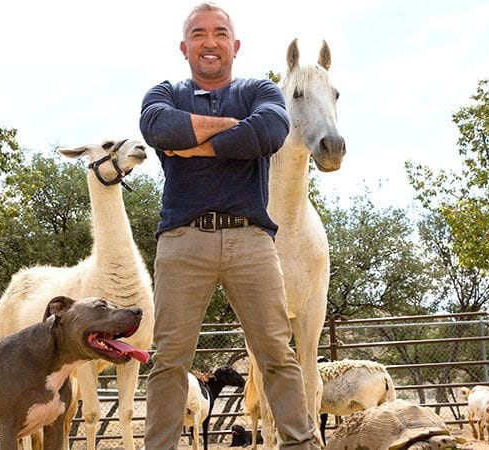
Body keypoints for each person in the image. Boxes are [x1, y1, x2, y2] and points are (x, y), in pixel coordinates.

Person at [139, 3, 320, 449]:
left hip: (252, 240)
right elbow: (158, 126)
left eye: (220, 33)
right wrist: (231, 132)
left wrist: (196, 146)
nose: (210, 41)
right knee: (168, 361)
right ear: (184, 48)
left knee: (277, 353)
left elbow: (269, 132)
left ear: (234, 45)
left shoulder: (261, 90)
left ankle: (301, 443)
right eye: (198, 34)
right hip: (182, 240)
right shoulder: (164, 93)